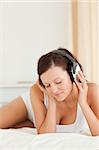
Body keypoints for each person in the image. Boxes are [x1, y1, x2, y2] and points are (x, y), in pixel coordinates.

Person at [0, 48, 99, 136]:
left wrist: (83, 103)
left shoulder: (92, 91)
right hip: (28, 107)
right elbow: (46, 135)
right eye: (47, 85)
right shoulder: (38, 91)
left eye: (58, 82)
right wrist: (51, 99)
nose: (54, 90)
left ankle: (29, 122)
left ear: (73, 74)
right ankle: (29, 120)